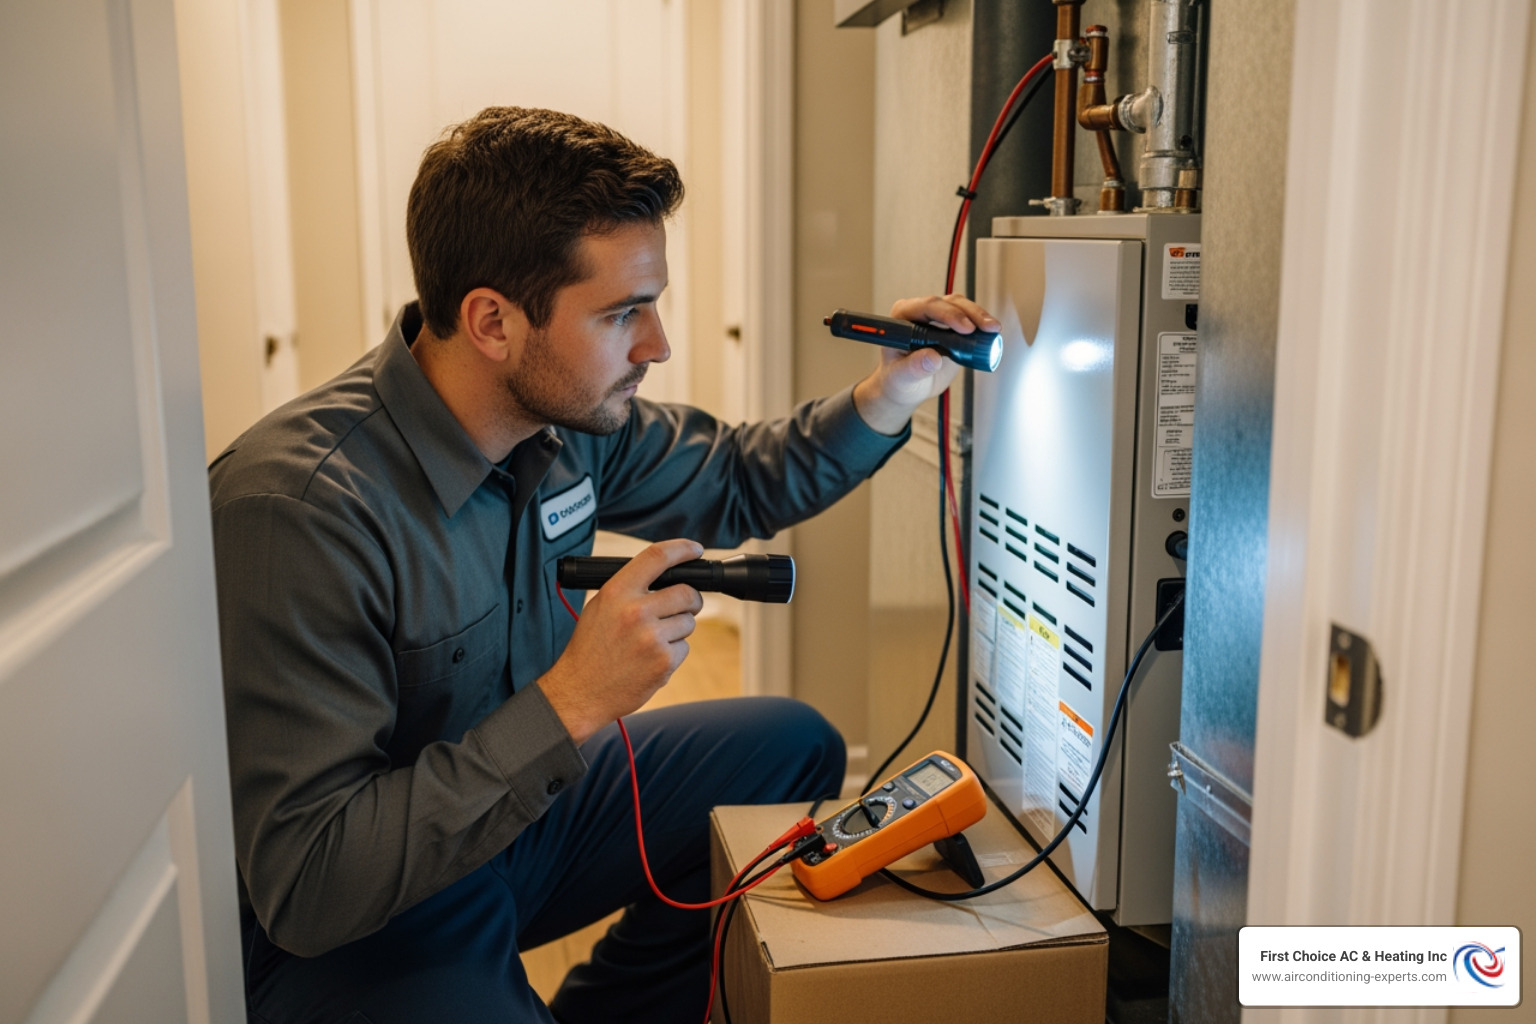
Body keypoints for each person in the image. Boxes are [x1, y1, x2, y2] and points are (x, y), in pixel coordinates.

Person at [210, 106, 999, 1023]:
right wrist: (576, 699)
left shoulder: (561, 422)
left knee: (794, 751)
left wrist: (893, 389)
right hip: (372, 907)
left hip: (518, 820)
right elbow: (311, 882)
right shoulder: (301, 510)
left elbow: (740, 478)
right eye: (623, 312)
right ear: (493, 322)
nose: (656, 343)